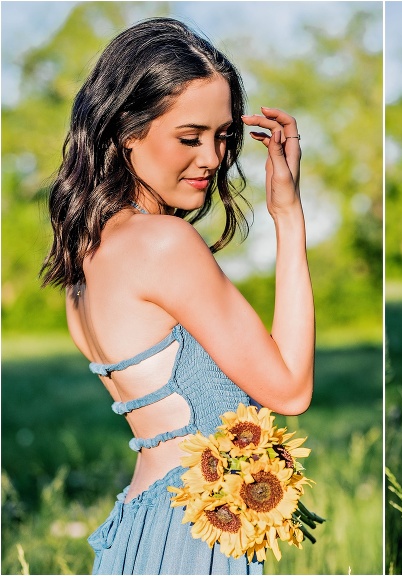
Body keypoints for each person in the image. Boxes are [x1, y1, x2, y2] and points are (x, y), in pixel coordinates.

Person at [40, 17, 313, 574]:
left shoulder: (83, 264)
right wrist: (289, 218)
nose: (212, 158)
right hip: (197, 534)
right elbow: (289, 390)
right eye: (189, 138)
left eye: (223, 137)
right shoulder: (163, 242)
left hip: (143, 526)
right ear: (126, 130)